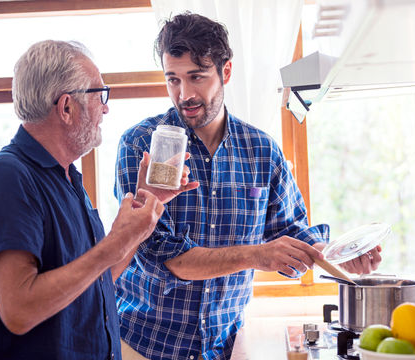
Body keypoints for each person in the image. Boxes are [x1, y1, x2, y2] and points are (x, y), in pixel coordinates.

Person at [114, 13, 382, 360]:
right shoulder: (141, 145)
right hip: (145, 346)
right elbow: (164, 256)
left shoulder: (262, 150)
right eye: (173, 79)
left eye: (197, 77)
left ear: (225, 71)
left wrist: (340, 256)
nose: (184, 94)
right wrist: (257, 255)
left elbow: (289, 230)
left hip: (226, 346)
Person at [0, 40, 194, 360]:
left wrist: (145, 204)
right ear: (67, 107)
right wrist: (114, 242)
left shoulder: (67, 179)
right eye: (100, 95)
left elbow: (97, 279)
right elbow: (20, 310)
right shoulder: (6, 178)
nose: (106, 108)